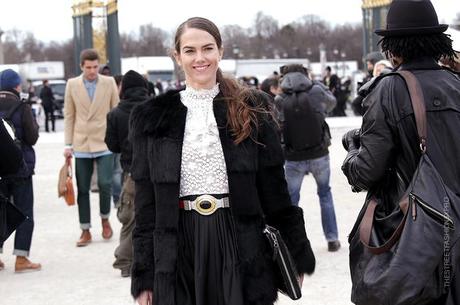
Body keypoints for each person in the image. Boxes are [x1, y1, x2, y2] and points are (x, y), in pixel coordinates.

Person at [129, 17, 315, 305]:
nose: (200, 58)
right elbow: (145, 204)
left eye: (208, 48)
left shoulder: (252, 108)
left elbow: (274, 189)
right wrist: (144, 275)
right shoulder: (152, 117)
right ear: (177, 56)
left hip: (238, 240)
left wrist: (294, 251)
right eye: (190, 51)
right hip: (180, 244)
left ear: (220, 51)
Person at [342, 1, 460, 304]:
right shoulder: (456, 83)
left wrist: (352, 149)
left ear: (392, 47)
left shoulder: (390, 89)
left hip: (415, 236)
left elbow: (366, 172)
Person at [275, 64, 340, 252]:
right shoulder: (316, 92)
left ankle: (289, 241)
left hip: (293, 157)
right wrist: (319, 84)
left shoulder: (280, 99)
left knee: (292, 201)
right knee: (325, 194)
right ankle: (332, 239)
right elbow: (332, 103)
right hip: (319, 154)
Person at [64, 49, 119, 247]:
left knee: (105, 183)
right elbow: (69, 115)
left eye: (95, 67)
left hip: (104, 141)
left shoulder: (109, 82)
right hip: (81, 142)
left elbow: (116, 111)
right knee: (83, 189)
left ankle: (105, 219)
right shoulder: (72, 84)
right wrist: (68, 144)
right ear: (81, 66)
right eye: (88, 67)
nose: (92, 71)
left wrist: (118, 140)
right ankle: (85, 229)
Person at [105, 70, 149, 277]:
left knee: (129, 218)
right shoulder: (154, 108)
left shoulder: (114, 114)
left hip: (131, 173)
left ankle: (125, 262)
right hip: (156, 170)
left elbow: (112, 145)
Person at [0, 69, 41, 272]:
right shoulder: (22, 107)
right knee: (24, 212)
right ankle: (21, 258)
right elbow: (32, 137)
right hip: (20, 167)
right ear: (17, 86)